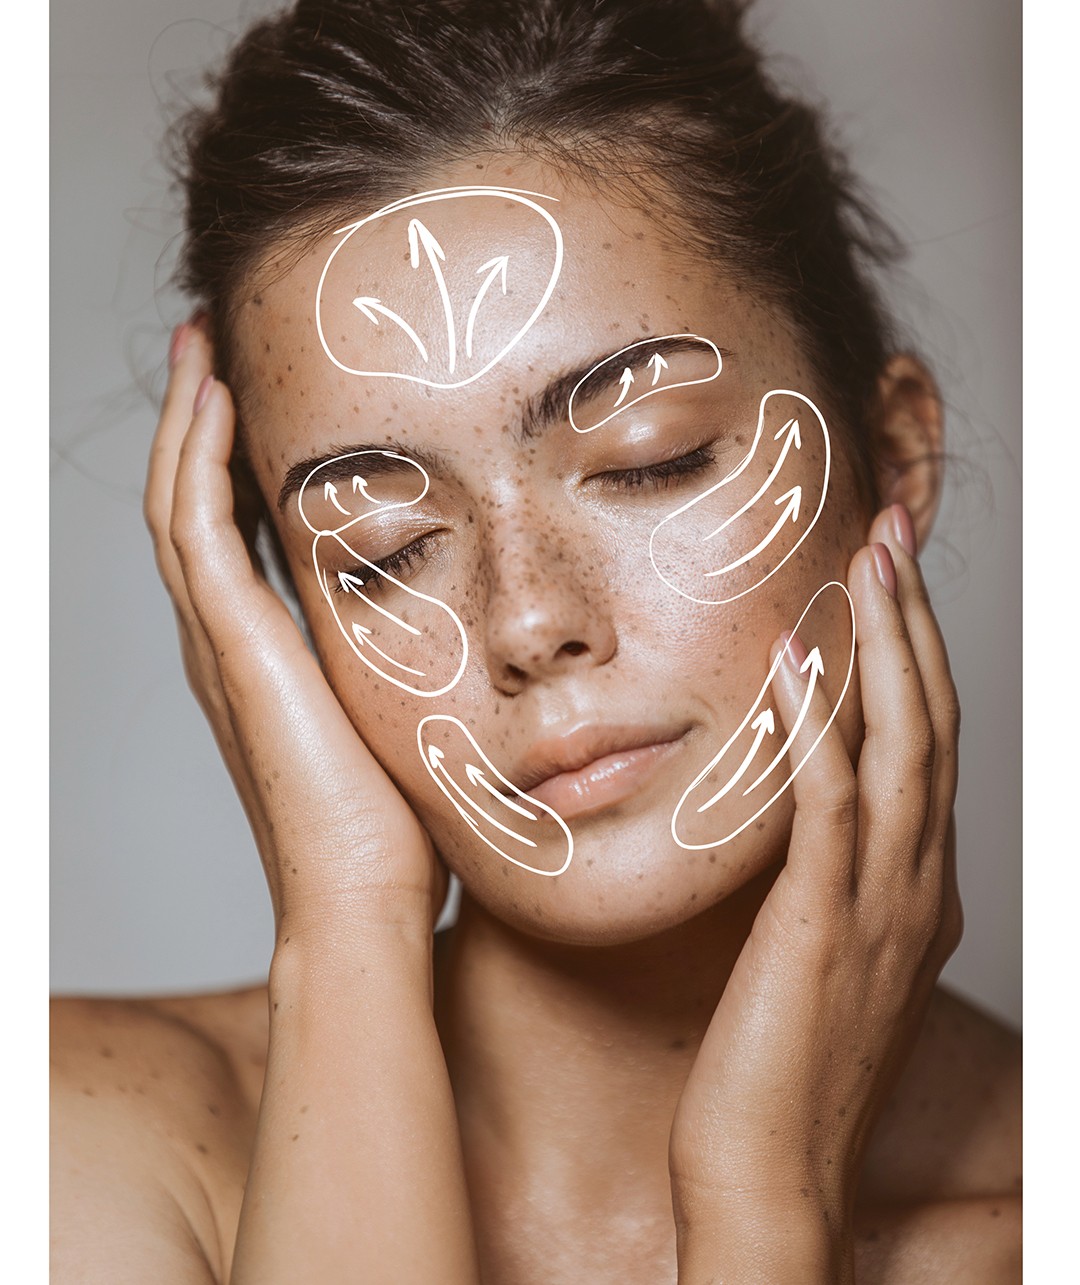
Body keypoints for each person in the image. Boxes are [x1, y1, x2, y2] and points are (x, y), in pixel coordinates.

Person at [50, 1, 1021, 1280]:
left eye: (649, 459)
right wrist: (347, 922)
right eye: (384, 551)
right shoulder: (69, 1146)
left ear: (892, 457)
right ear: (269, 611)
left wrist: (761, 1191)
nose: (529, 621)